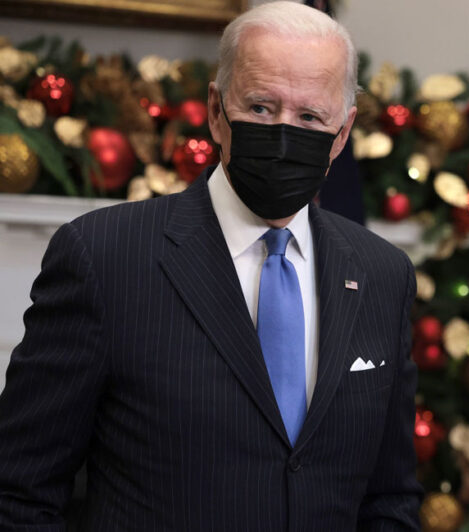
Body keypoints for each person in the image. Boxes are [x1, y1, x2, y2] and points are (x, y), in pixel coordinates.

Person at [0, 2, 421, 530]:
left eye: (310, 117)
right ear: (217, 111)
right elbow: (18, 491)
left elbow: (391, 499)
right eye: (262, 108)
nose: (285, 133)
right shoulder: (102, 256)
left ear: (341, 134)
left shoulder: (384, 273)